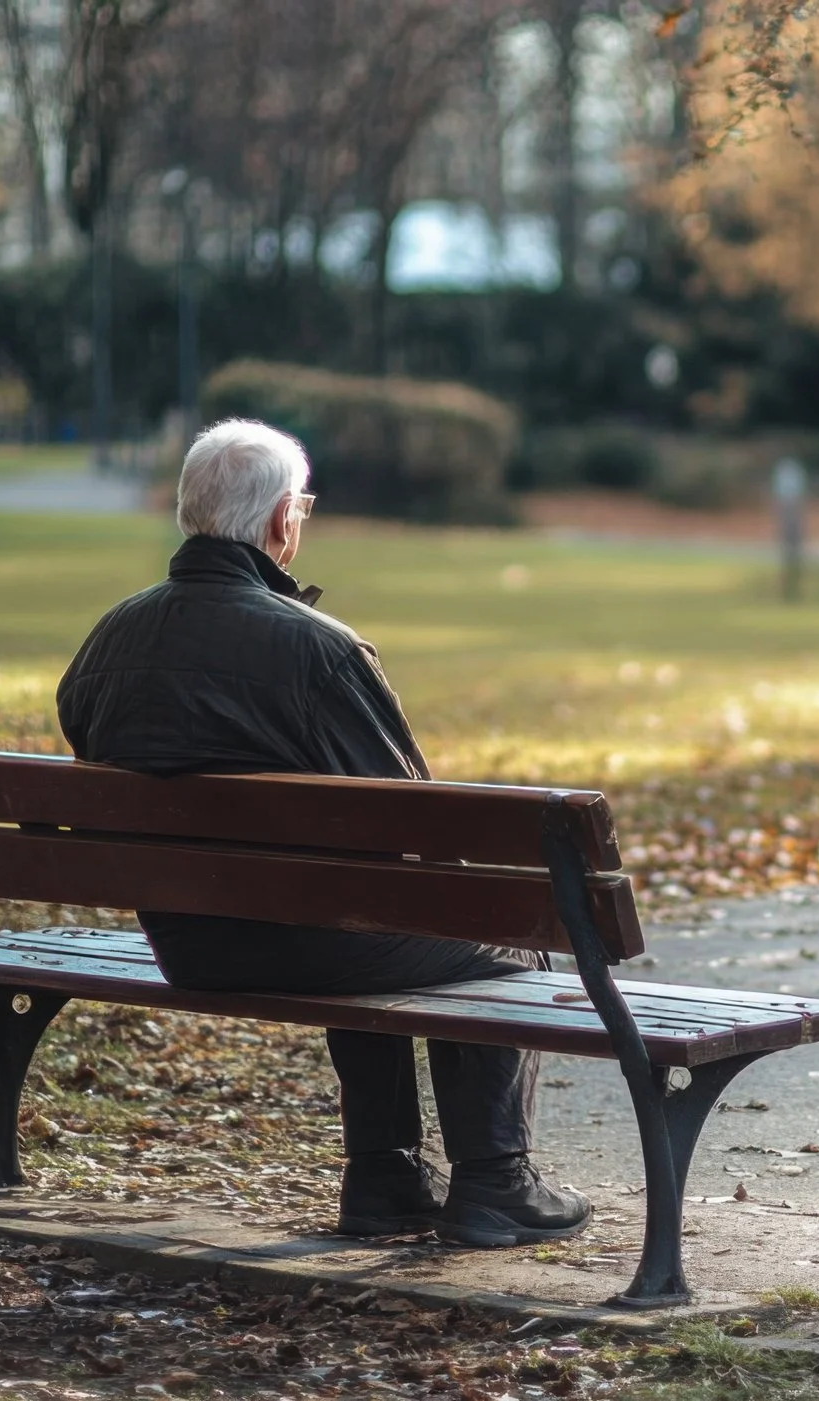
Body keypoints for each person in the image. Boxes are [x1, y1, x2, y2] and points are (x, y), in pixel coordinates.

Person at [56, 418, 591, 1247]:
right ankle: (495, 1182)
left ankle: (385, 1174)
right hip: (296, 939)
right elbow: (409, 821)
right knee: (498, 939)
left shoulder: (107, 639)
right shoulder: (321, 651)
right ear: (280, 523)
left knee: (348, 904)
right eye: (300, 505)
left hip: (187, 940)